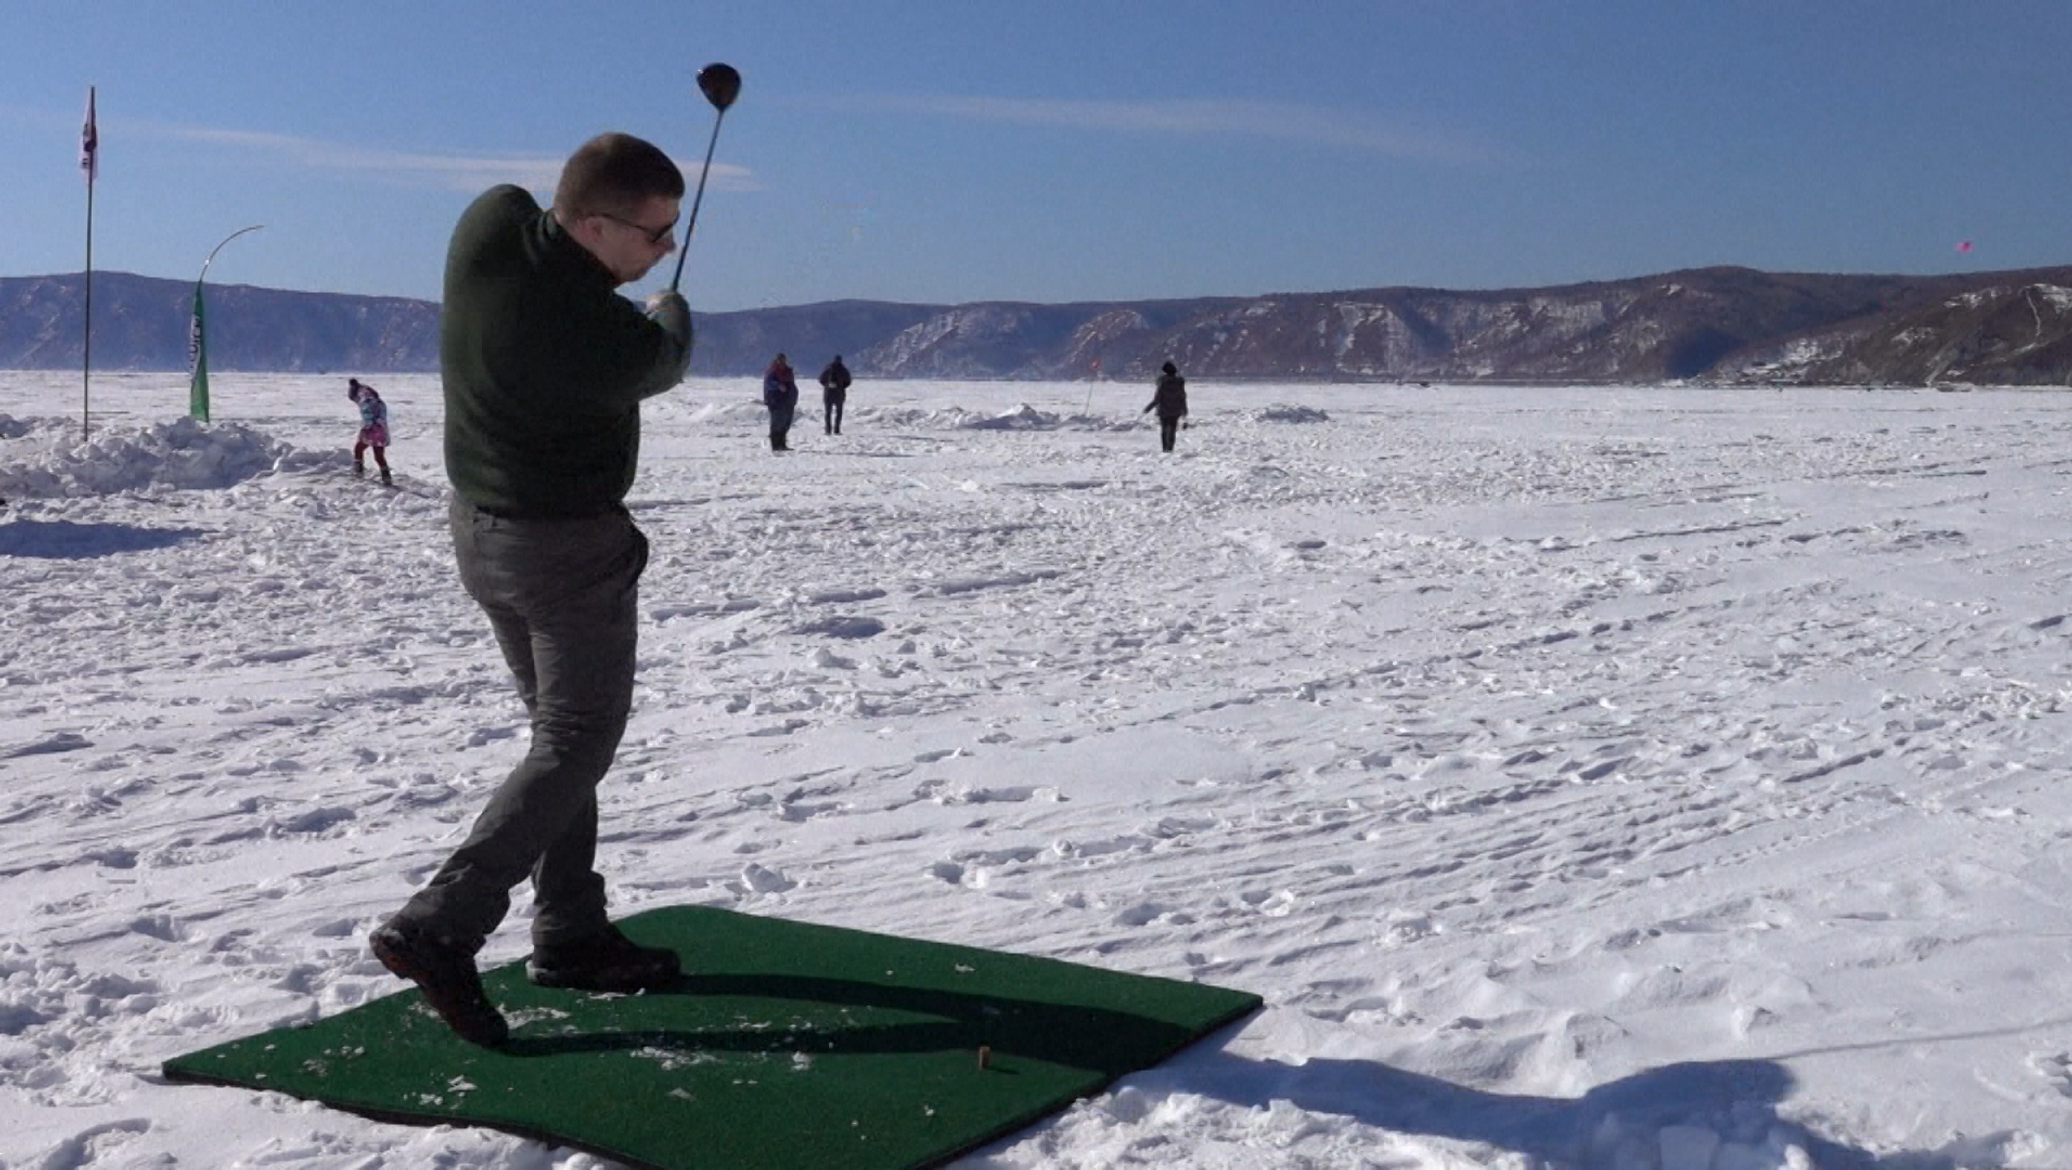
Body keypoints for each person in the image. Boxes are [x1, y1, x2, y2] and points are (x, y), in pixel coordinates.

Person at [368, 131, 694, 1047]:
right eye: (651, 234)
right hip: (563, 551)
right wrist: (668, 307)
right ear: (592, 225)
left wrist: (617, 275)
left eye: (673, 234)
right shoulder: (596, 338)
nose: (662, 249)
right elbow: (663, 356)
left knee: (561, 741)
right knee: (576, 740)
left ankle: (570, 931)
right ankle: (441, 926)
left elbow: (520, 204)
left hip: (482, 533)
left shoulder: (485, 230)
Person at [346, 378, 392, 485]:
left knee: (358, 449)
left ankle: (358, 473)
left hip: (371, 431)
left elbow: (368, 418)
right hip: (381, 431)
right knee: (379, 455)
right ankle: (386, 477)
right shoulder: (378, 401)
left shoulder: (365, 402)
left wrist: (365, 427)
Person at [1143, 360, 1189, 453]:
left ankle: (1165, 448)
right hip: (1176, 409)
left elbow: (1158, 398)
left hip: (1164, 409)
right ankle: (1170, 448)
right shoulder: (1179, 382)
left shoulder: (1162, 382)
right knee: (1172, 429)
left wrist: (1148, 408)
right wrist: (1184, 409)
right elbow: (1182, 397)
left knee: (1164, 429)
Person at [763, 352, 799, 451]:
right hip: (775, 400)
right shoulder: (772, 371)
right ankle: (775, 445)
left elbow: (792, 384)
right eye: (780, 360)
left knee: (786, 422)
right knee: (776, 422)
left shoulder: (788, 371)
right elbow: (768, 383)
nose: (782, 362)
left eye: (783, 359)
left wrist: (794, 396)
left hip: (787, 400)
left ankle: (782, 444)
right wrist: (778, 385)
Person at [818, 354, 852, 435]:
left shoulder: (828, 368)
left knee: (828, 412)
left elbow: (821, 379)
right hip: (839, 394)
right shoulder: (843, 370)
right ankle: (836, 430)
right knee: (838, 412)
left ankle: (828, 430)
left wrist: (827, 386)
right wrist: (841, 387)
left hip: (828, 394)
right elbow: (848, 381)